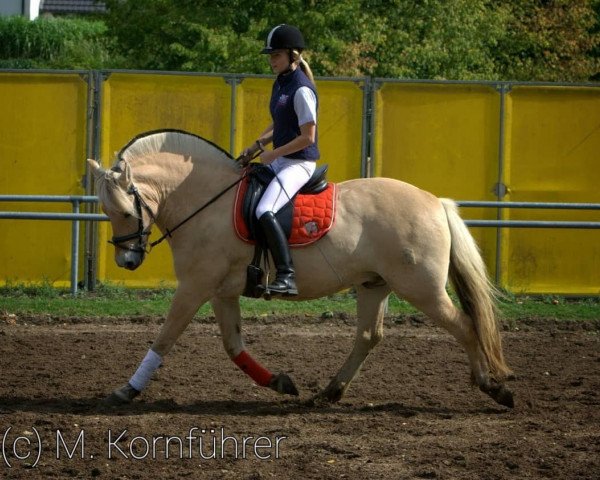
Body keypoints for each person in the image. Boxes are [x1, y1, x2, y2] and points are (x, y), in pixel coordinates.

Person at [241, 24, 320, 297]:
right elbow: (281, 124)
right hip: (282, 160)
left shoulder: (301, 90)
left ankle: (286, 276)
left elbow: (308, 136)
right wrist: (257, 144)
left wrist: (274, 153)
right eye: (270, 55)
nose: (271, 60)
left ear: (293, 56)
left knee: (265, 210)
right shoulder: (281, 83)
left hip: (298, 163)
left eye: (276, 55)